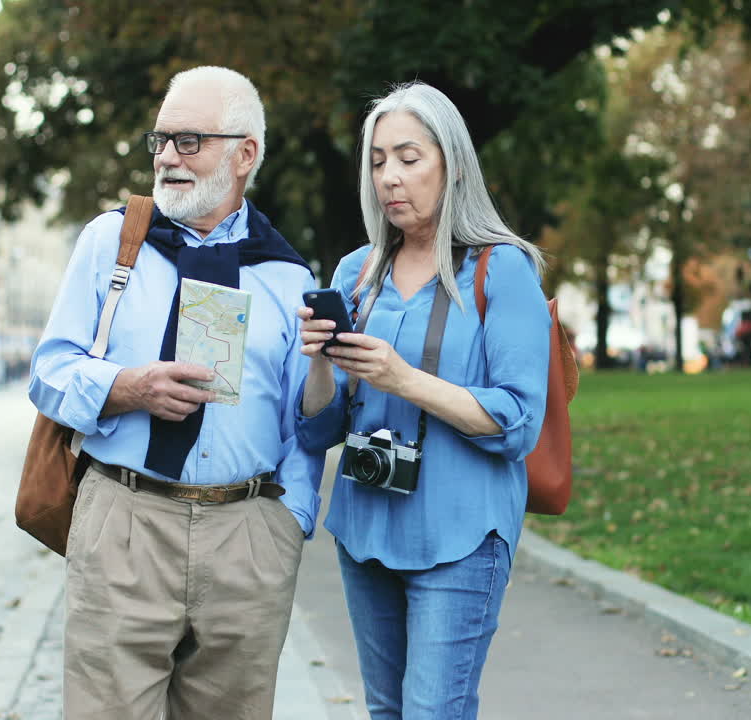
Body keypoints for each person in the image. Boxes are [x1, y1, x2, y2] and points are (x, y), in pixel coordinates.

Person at [28, 66, 323, 720]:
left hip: (247, 537)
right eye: (159, 140)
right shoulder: (113, 240)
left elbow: (305, 423)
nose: (165, 157)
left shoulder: (286, 275)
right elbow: (49, 373)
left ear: (244, 154)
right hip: (125, 523)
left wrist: (288, 522)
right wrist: (128, 387)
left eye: (188, 141)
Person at [295, 82, 551, 720]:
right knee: (386, 711)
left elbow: (517, 421)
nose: (390, 177)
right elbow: (318, 427)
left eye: (409, 158)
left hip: (461, 533)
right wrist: (319, 363)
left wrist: (402, 378)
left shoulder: (503, 269)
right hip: (364, 529)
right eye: (378, 161)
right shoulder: (356, 272)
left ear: (453, 164)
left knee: (434, 711)